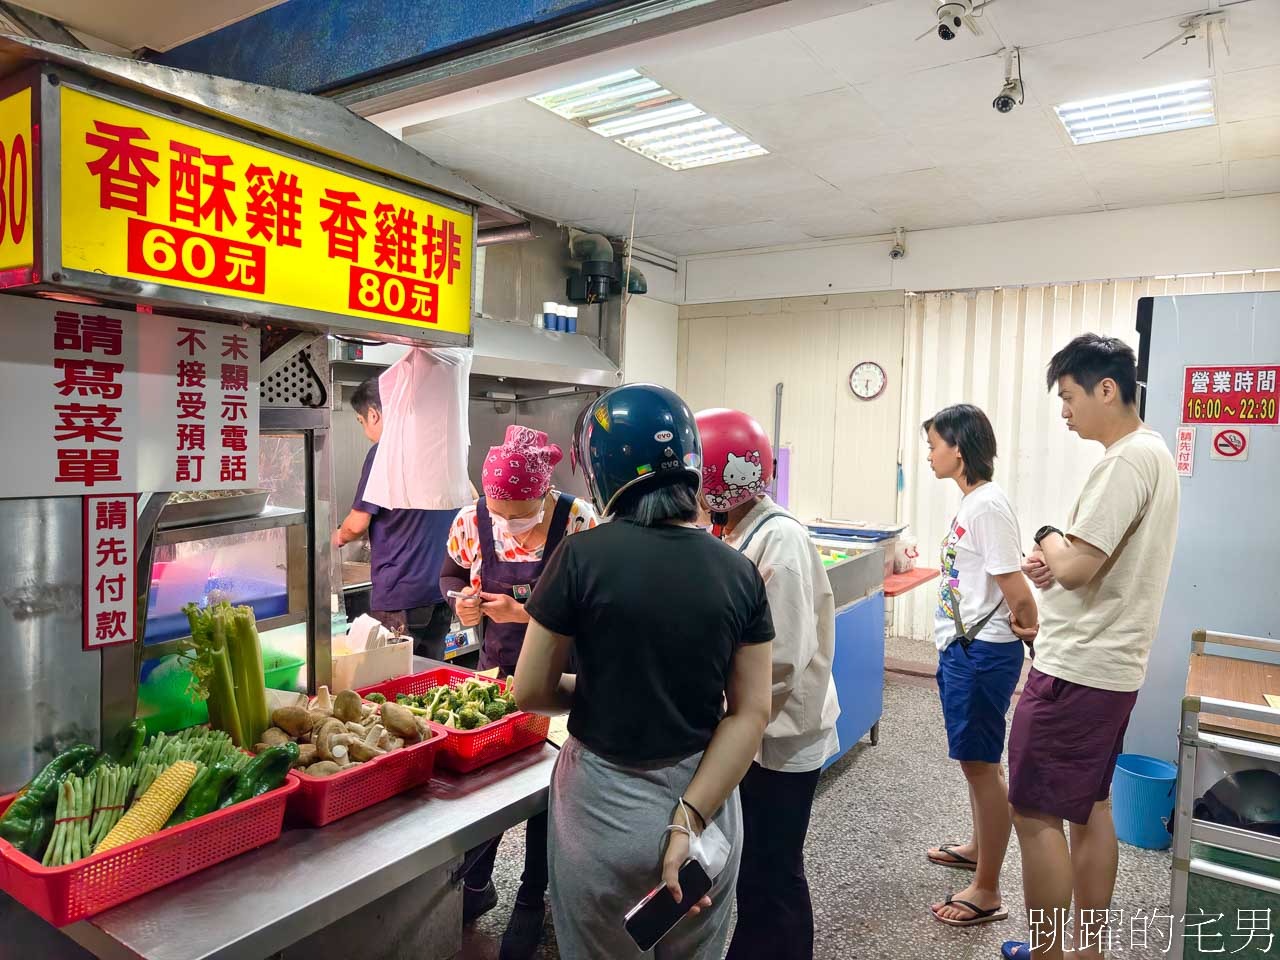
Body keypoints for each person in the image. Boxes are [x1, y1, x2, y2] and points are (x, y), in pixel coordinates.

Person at [514, 384, 774, 960]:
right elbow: (751, 712)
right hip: (701, 808)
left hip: (600, 814)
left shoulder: (580, 557)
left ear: (600, 472)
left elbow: (527, 690)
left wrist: (600, 687)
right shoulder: (738, 571)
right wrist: (686, 819)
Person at [1001, 334, 1180, 960]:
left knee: (1033, 811)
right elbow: (1088, 562)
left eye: (1069, 396)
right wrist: (1063, 556)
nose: (1064, 411)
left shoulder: (1127, 460)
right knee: (1091, 805)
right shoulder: (1152, 456)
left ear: (1108, 389)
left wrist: (1050, 539)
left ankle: (1050, 953)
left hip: (1078, 669)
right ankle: (1087, 950)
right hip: (1112, 668)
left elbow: (1076, 566)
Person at [438, 424, 596, 960]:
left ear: (545, 492)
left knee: (547, 793)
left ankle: (534, 897)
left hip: (562, 679)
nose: (509, 522)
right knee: (489, 785)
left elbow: (594, 609)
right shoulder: (471, 518)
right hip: (496, 675)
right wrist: (461, 600)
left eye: (521, 510)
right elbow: (450, 574)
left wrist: (528, 613)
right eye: (499, 509)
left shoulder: (578, 522)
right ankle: (475, 886)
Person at [693, 408, 840, 960]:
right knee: (759, 865)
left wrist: (728, 720)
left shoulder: (780, 542)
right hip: (758, 734)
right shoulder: (738, 529)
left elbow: (780, 662)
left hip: (782, 739)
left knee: (773, 871)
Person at [918, 404, 1037, 930]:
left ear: (958, 448)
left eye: (934, 444)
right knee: (976, 761)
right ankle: (977, 847)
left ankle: (987, 889)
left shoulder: (986, 506)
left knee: (983, 766)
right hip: (966, 649)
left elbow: (1016, 589)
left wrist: (1029, 627)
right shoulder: (975, 503)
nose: (929, 453)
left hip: (982, 652)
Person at [333, 377, 457, 659]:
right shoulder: (438, 447)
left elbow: (356, 524)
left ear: (374, 414)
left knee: (395, 675)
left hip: (402, 592)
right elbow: (471, 498)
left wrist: (331, 540)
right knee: (429, 674)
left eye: (362, 422)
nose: (366, 431)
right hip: (441, 590)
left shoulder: (384, 452)